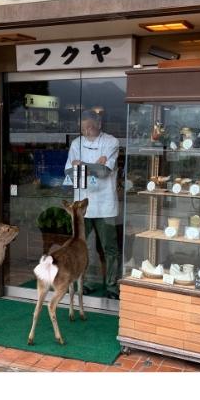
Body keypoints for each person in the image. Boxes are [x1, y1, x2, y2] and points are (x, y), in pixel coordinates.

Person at [65, 109, 120, 299]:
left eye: (90, 126)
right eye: (83, 127)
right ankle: (86, 283)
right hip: (82, 205)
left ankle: (112, 286)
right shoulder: (76, 143)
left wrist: (84, 166)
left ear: (99, 125)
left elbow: (104, 170)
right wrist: (92, 166)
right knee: (82, 248)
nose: (86, 131)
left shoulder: (111, 142)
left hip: (105, 204)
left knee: (109, 247)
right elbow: (69, 170)